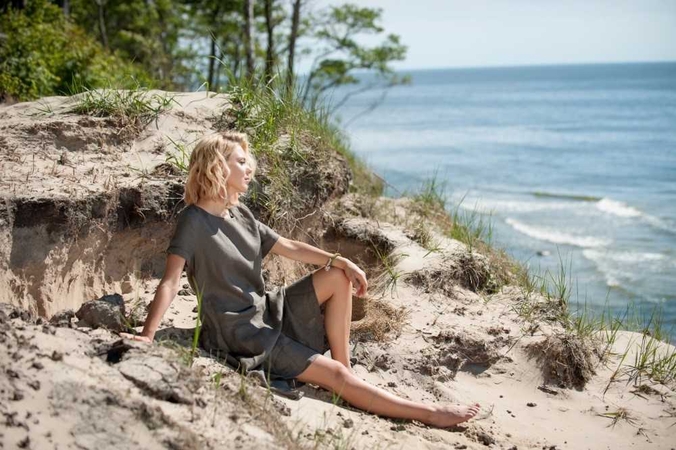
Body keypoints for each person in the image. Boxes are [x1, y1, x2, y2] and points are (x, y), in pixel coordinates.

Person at [121, 131, 480, 427]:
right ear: (217, 167)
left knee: (337, 277)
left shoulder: (239, 213)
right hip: (241, 334)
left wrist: (342, 261)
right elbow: (169, 283)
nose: (249, 170)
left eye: (248, 162)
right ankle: (428, 413)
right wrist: (146, 336)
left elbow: (290, 246)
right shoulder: (193, 221)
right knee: (335, 379)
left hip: (266, 310)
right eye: (240, 162)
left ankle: (345, 370)